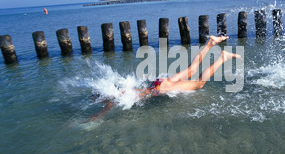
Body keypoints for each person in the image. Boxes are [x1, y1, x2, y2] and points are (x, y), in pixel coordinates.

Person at [89, 36, 240, 121]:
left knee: (199, 84)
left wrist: (92, 120)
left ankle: (222, 57)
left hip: (162, 87)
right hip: (159, 82)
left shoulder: (113, 100)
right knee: (191, 69)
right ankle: (210, 43)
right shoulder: (121, 89)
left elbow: (100, 115)